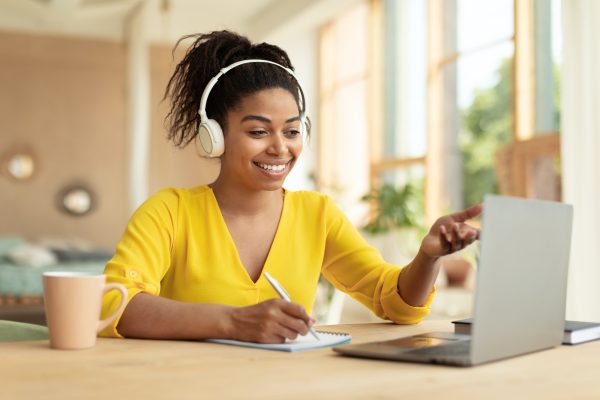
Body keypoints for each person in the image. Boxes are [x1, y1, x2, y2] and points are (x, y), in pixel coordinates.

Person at [100, 30, 481, 343]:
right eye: (258, 131)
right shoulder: (169, 211)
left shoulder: (317, 214)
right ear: (213, 136)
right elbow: (115, 305)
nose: (280, 147)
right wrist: (233, 322)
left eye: (293, 131)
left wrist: (427, 257)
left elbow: (396, 304)